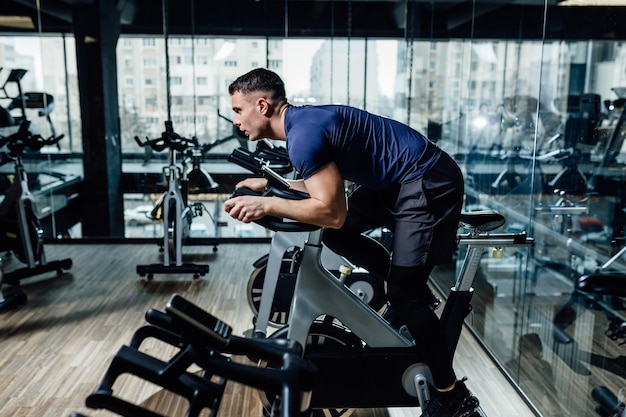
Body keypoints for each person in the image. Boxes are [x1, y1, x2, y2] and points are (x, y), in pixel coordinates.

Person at [224, 68, 478, 417]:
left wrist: (266, 203)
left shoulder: (303, 136)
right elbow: (321, 191)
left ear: (262, 105)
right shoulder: (301, 127)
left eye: (238, 110)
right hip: (395, 183)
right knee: (340, 238)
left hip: (425, 179)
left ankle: (451, 396)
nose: (236, 120)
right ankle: (409, 287)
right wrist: (268, 187)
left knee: (401, 294)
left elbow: (330, 211)